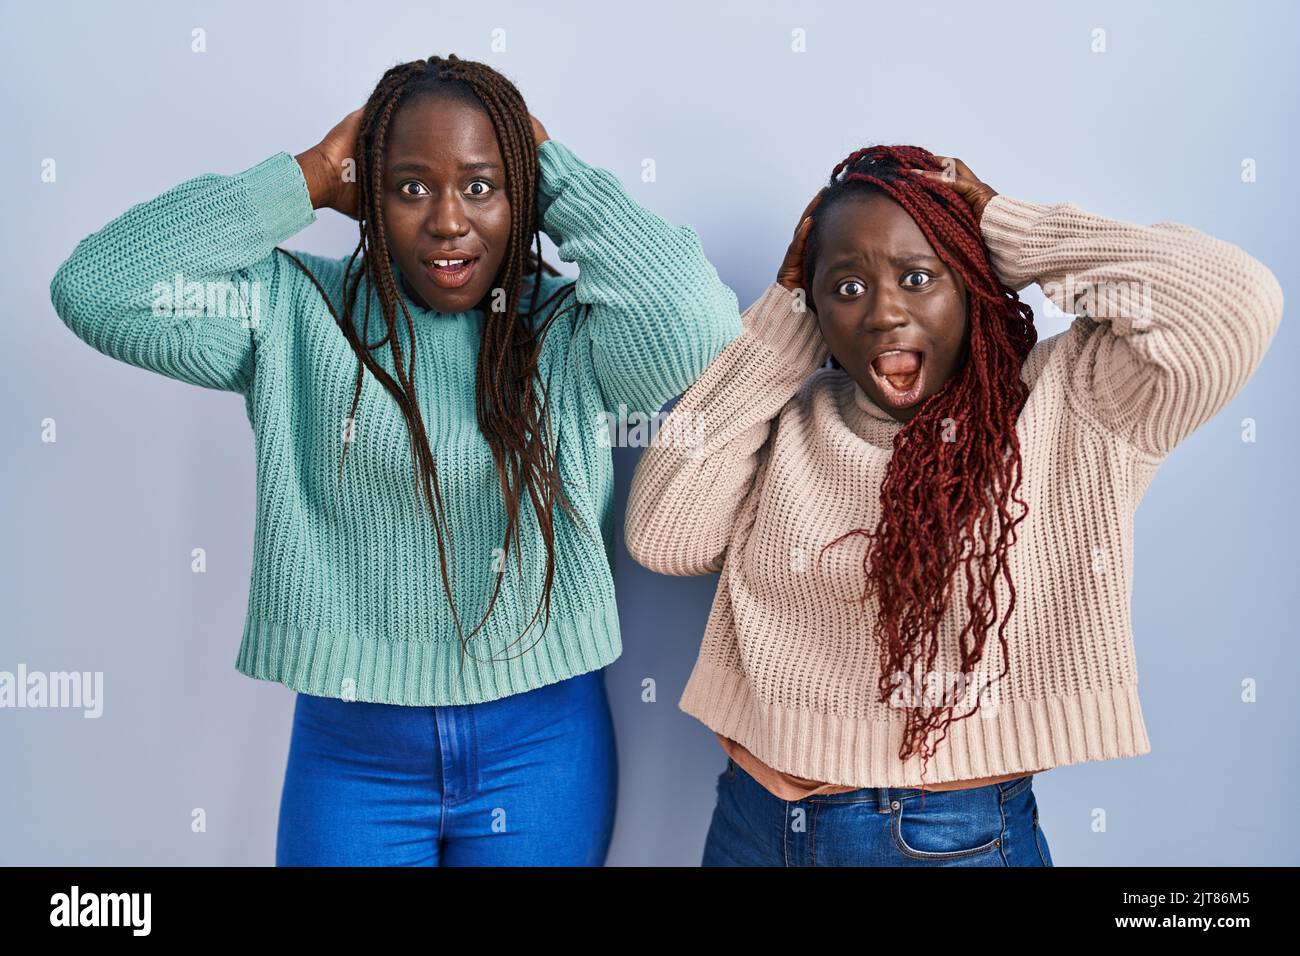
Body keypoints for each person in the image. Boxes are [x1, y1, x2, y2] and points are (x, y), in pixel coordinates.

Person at [49, 54, 741, 866]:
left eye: (481, 185)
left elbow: (697, 326)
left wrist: (554, 175)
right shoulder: (291, 313)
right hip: (352, 750)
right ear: (366, 197)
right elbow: (96, 289)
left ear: (522, 196)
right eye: (411, 187)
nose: (449, 220)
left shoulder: (566, 329)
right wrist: (302, 177)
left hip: (543, 739)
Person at [624, 144, 1283, 866]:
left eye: (918, 277)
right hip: (755, 820)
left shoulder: (1074, 401)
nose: (883, 314)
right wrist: (781, 331)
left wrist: (1008, 229)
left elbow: (1235, 302)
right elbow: (664, 535)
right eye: (846, 289)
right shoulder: (792, 417)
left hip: (943, 836)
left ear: (972, 283)